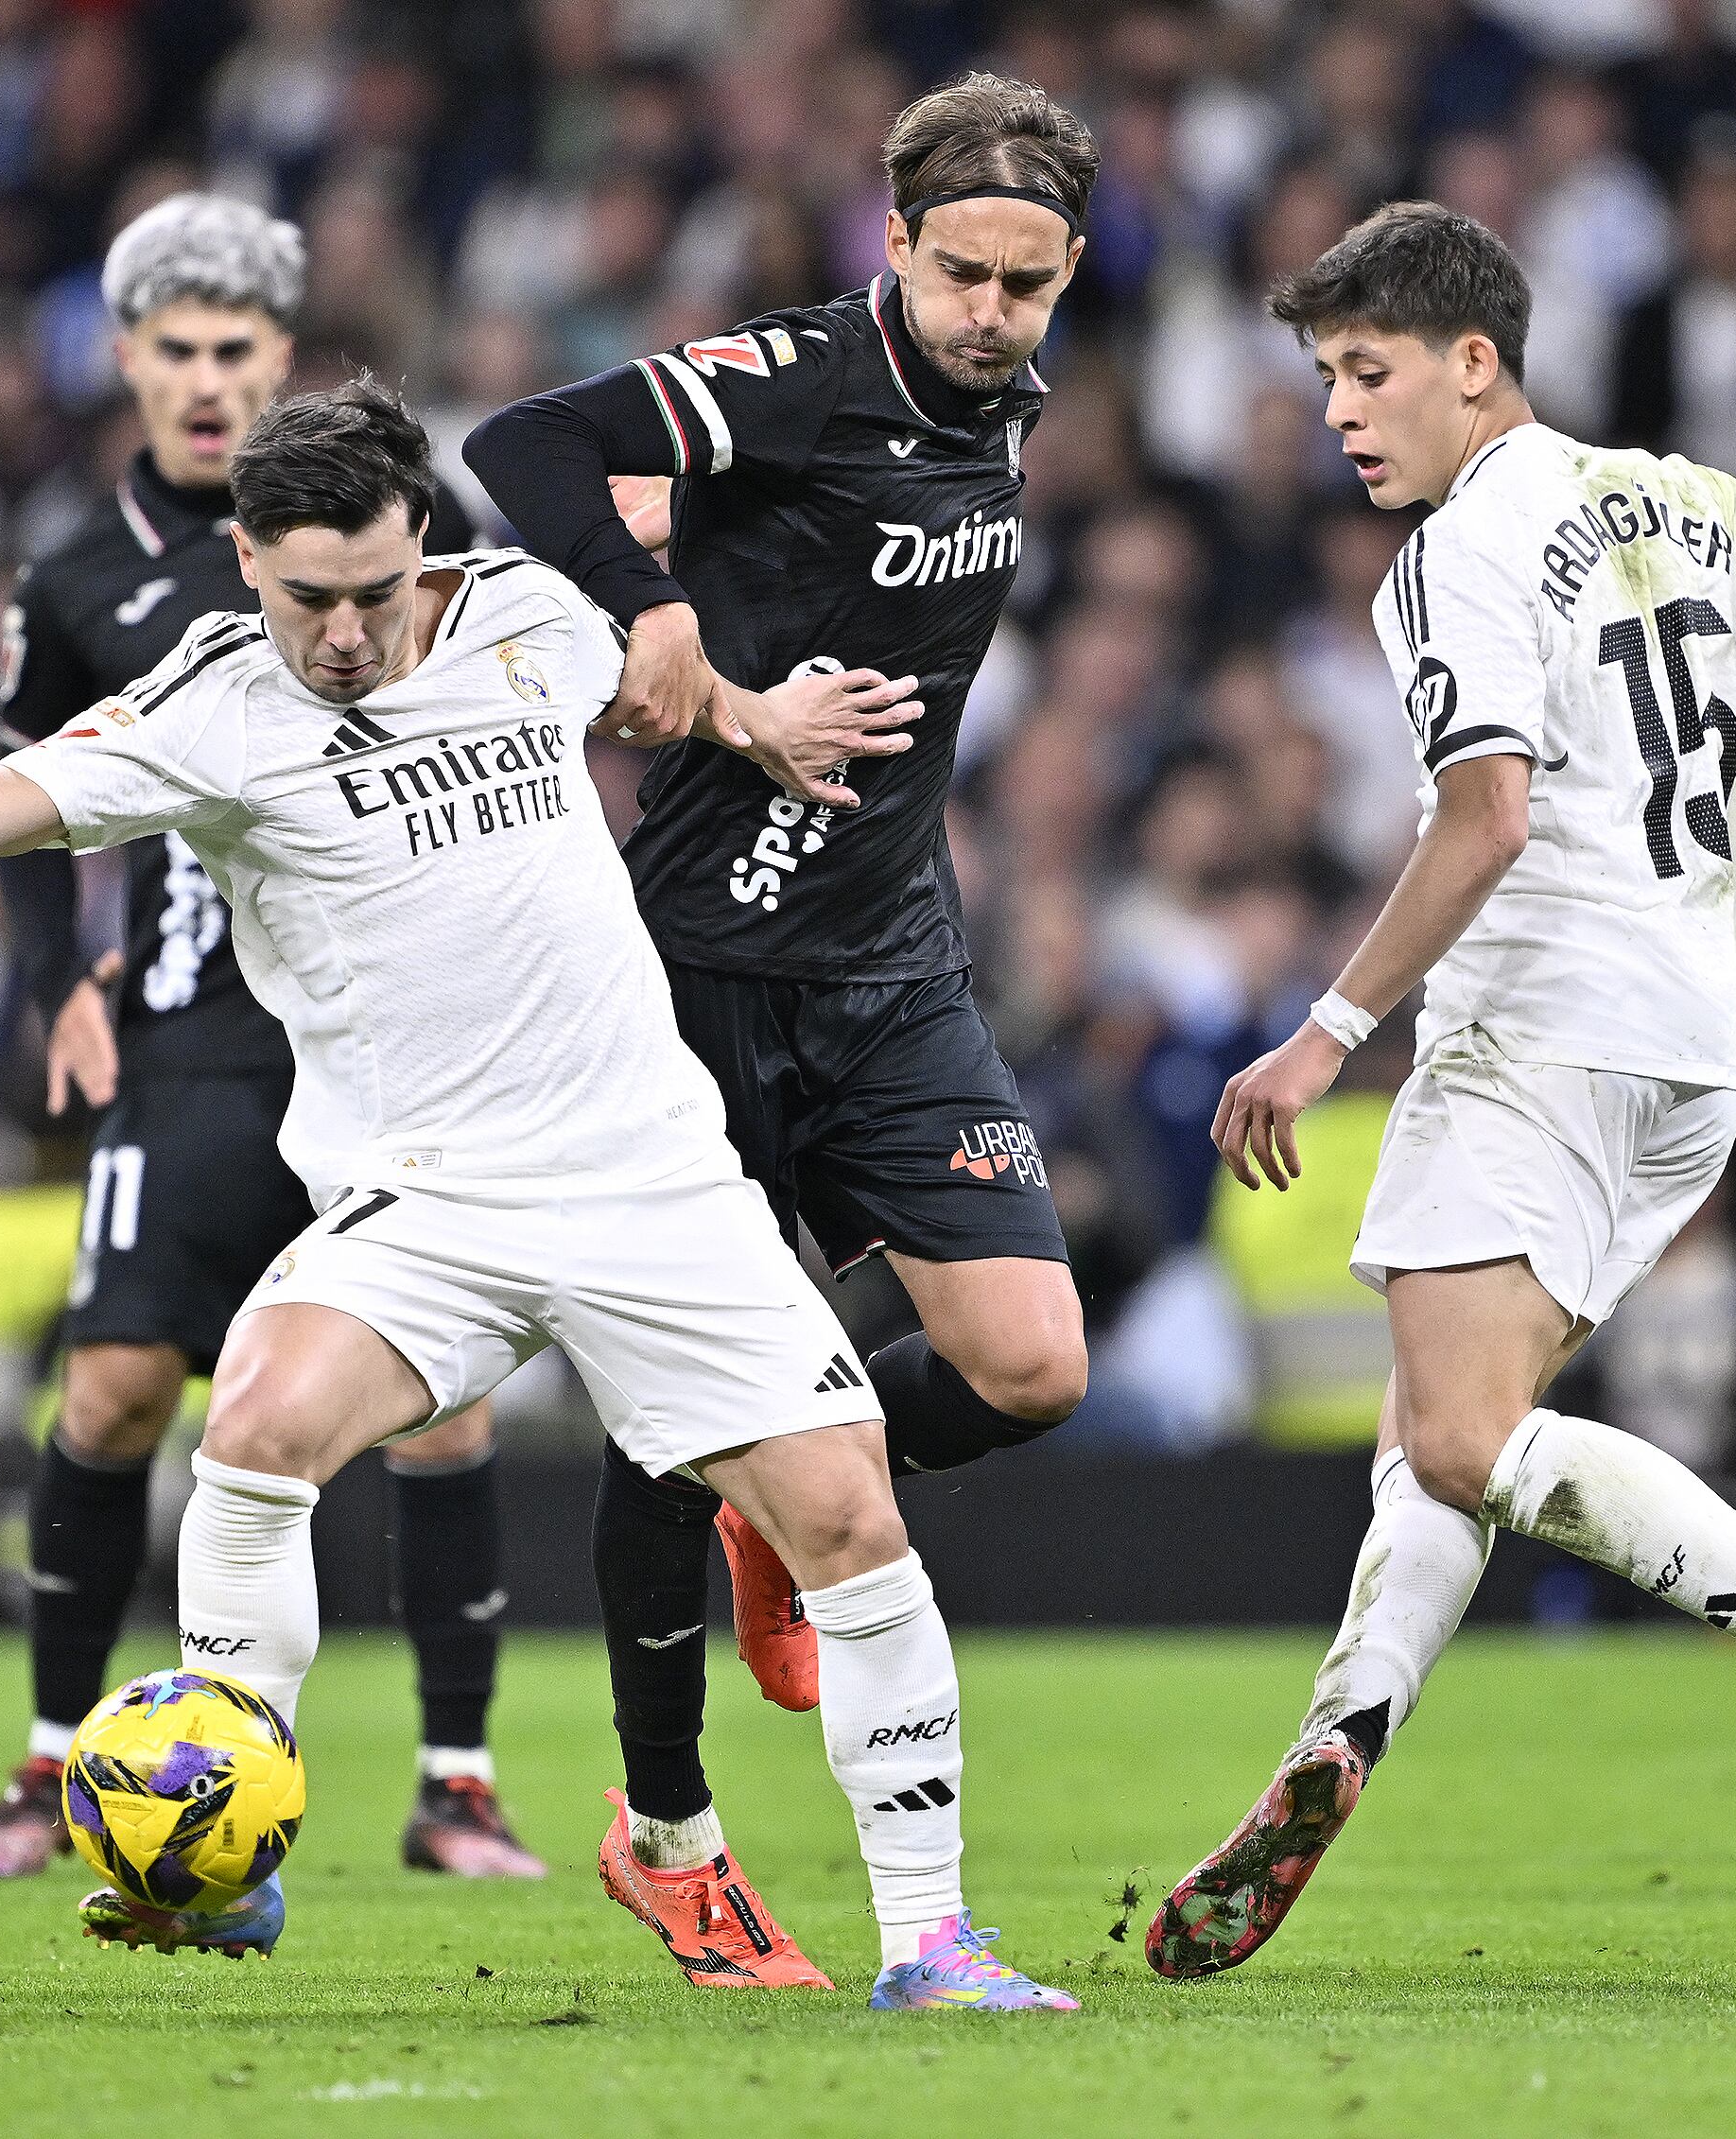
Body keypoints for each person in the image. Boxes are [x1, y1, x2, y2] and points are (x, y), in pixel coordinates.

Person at [0, 380, 1075, 2011]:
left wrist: (761, 717)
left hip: (647, 1177)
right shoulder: (210, 712)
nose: (346, 632)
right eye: (307, 597)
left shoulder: (531, 617)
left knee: (849, 1518)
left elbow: (670, 695)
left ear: (425, 548)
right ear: (246, 562)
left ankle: (929, 1941)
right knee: (254, 1418)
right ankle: (229, 1870)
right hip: (428, 1202)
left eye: (377, 591)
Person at [1141, 203, 1736, 1984]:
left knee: (1455, 1434)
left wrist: (1326, 1027)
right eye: (1324, 381)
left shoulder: (1451, 557)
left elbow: (1490, 815)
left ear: (1473, 362)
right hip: (1692, 1047)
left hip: (1538, 1027)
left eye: (1369, 375)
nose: (1344, 416)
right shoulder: (1677, 491)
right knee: (1444, 1427)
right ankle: (1342, 1731)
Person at [460, 74, 1098, 1984]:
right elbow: (527, 440)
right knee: (666, 1423)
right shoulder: (805, 375)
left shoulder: (1010, 401)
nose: (992, 311)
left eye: (1031, 282)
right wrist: (672, 630)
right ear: (889, 247)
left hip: (898, 971)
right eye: (962, 271)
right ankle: (670, 1832)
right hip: (703, 982)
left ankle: (780, 1495)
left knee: (1030, 1365)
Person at [0, 195, 543, 1885]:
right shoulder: (71, 581)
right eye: (178, 351)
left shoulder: (398, 540)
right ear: (128, 360)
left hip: (380, 1042)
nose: (208, 382)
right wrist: (59, 974)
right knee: (122, 1379)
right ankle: (54, 1756)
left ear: (282, 359)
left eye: (238, 351)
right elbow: (17, 810)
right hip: (195, 1030)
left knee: (440, 1410)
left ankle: (460, 1781)